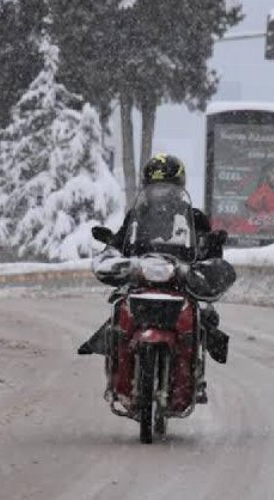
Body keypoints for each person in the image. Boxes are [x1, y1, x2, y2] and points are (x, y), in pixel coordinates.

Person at [77, 154, 232, 403]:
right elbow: (121, 242)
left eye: (168, 186)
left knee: (205, 315)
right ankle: (117, 373)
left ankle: (197, 375)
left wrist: (212, 246)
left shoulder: (194, 217)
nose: (162, 193)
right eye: (156, 187)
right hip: (142, 278)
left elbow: (206, 247)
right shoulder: (137, 215)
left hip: (179, 280)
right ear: (146, 187)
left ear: (179, 186)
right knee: (118, 310)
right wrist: (112, 249)